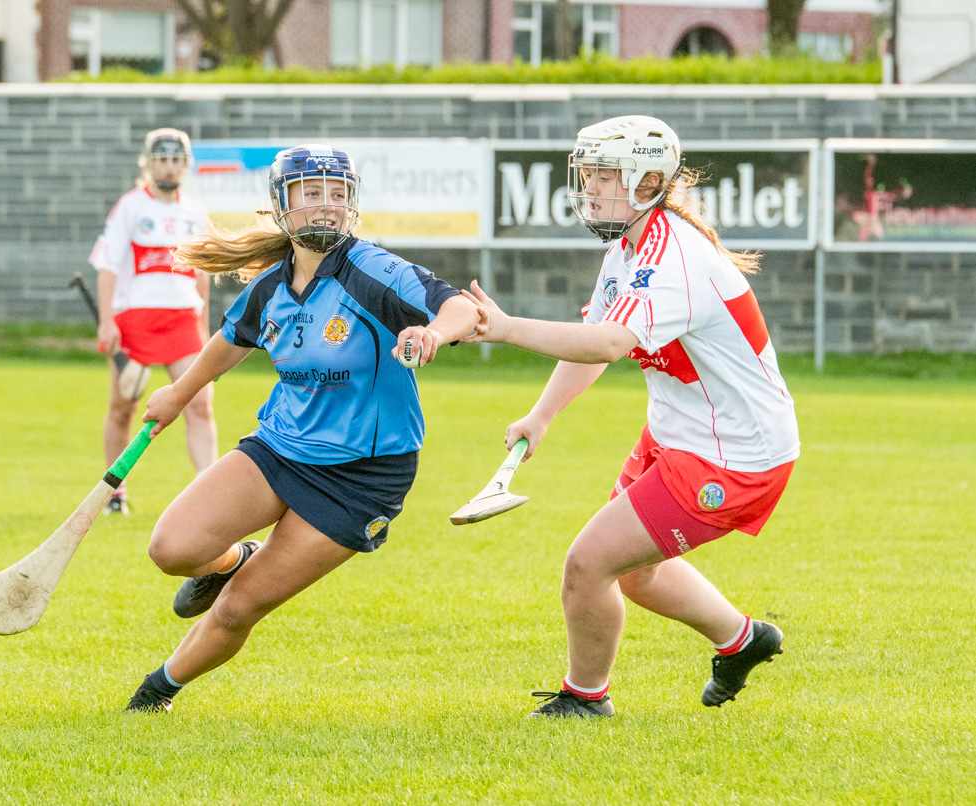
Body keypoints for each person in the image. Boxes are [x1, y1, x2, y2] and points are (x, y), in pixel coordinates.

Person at [463, 116, 800, 718]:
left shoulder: (672, 255)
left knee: (588, 564)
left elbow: (609, 344)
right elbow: (596, 336)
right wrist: (541, 414)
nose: (587, 188)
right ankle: (742, 639)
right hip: (681, 434)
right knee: (637, 571)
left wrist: (507, 327)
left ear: (646, 181)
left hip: (735, 454)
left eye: (602, 176)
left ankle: (586, 699)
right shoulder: (630, 245)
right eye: (586, 174)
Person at [124, 144, 479, 713]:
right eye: (311, 194)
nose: (326, 207)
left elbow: (461, 307)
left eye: (338, 195)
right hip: (281, 448)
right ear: (282, 205)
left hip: (364, 475)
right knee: (172, 548)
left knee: (240, 608)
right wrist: (177, 393)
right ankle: (235, 558)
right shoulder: (270, 285)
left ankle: (155, 692)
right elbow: (232, 340)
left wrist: (435, 332)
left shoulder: (374, 272)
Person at [88, 128, 218, 514]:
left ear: (185, 166)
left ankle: (207, 491)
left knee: (199, 404)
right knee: (123, 406)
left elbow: (202, 274)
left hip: (182, 319)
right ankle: (115, 493)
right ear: (148, 164)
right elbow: (108, 266)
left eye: (175, 160)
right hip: (135, 318)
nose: (168, 167)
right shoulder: (130, 206)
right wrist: (107, 320)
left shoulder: (194, 211)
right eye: (161, 159)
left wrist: (204, 325)